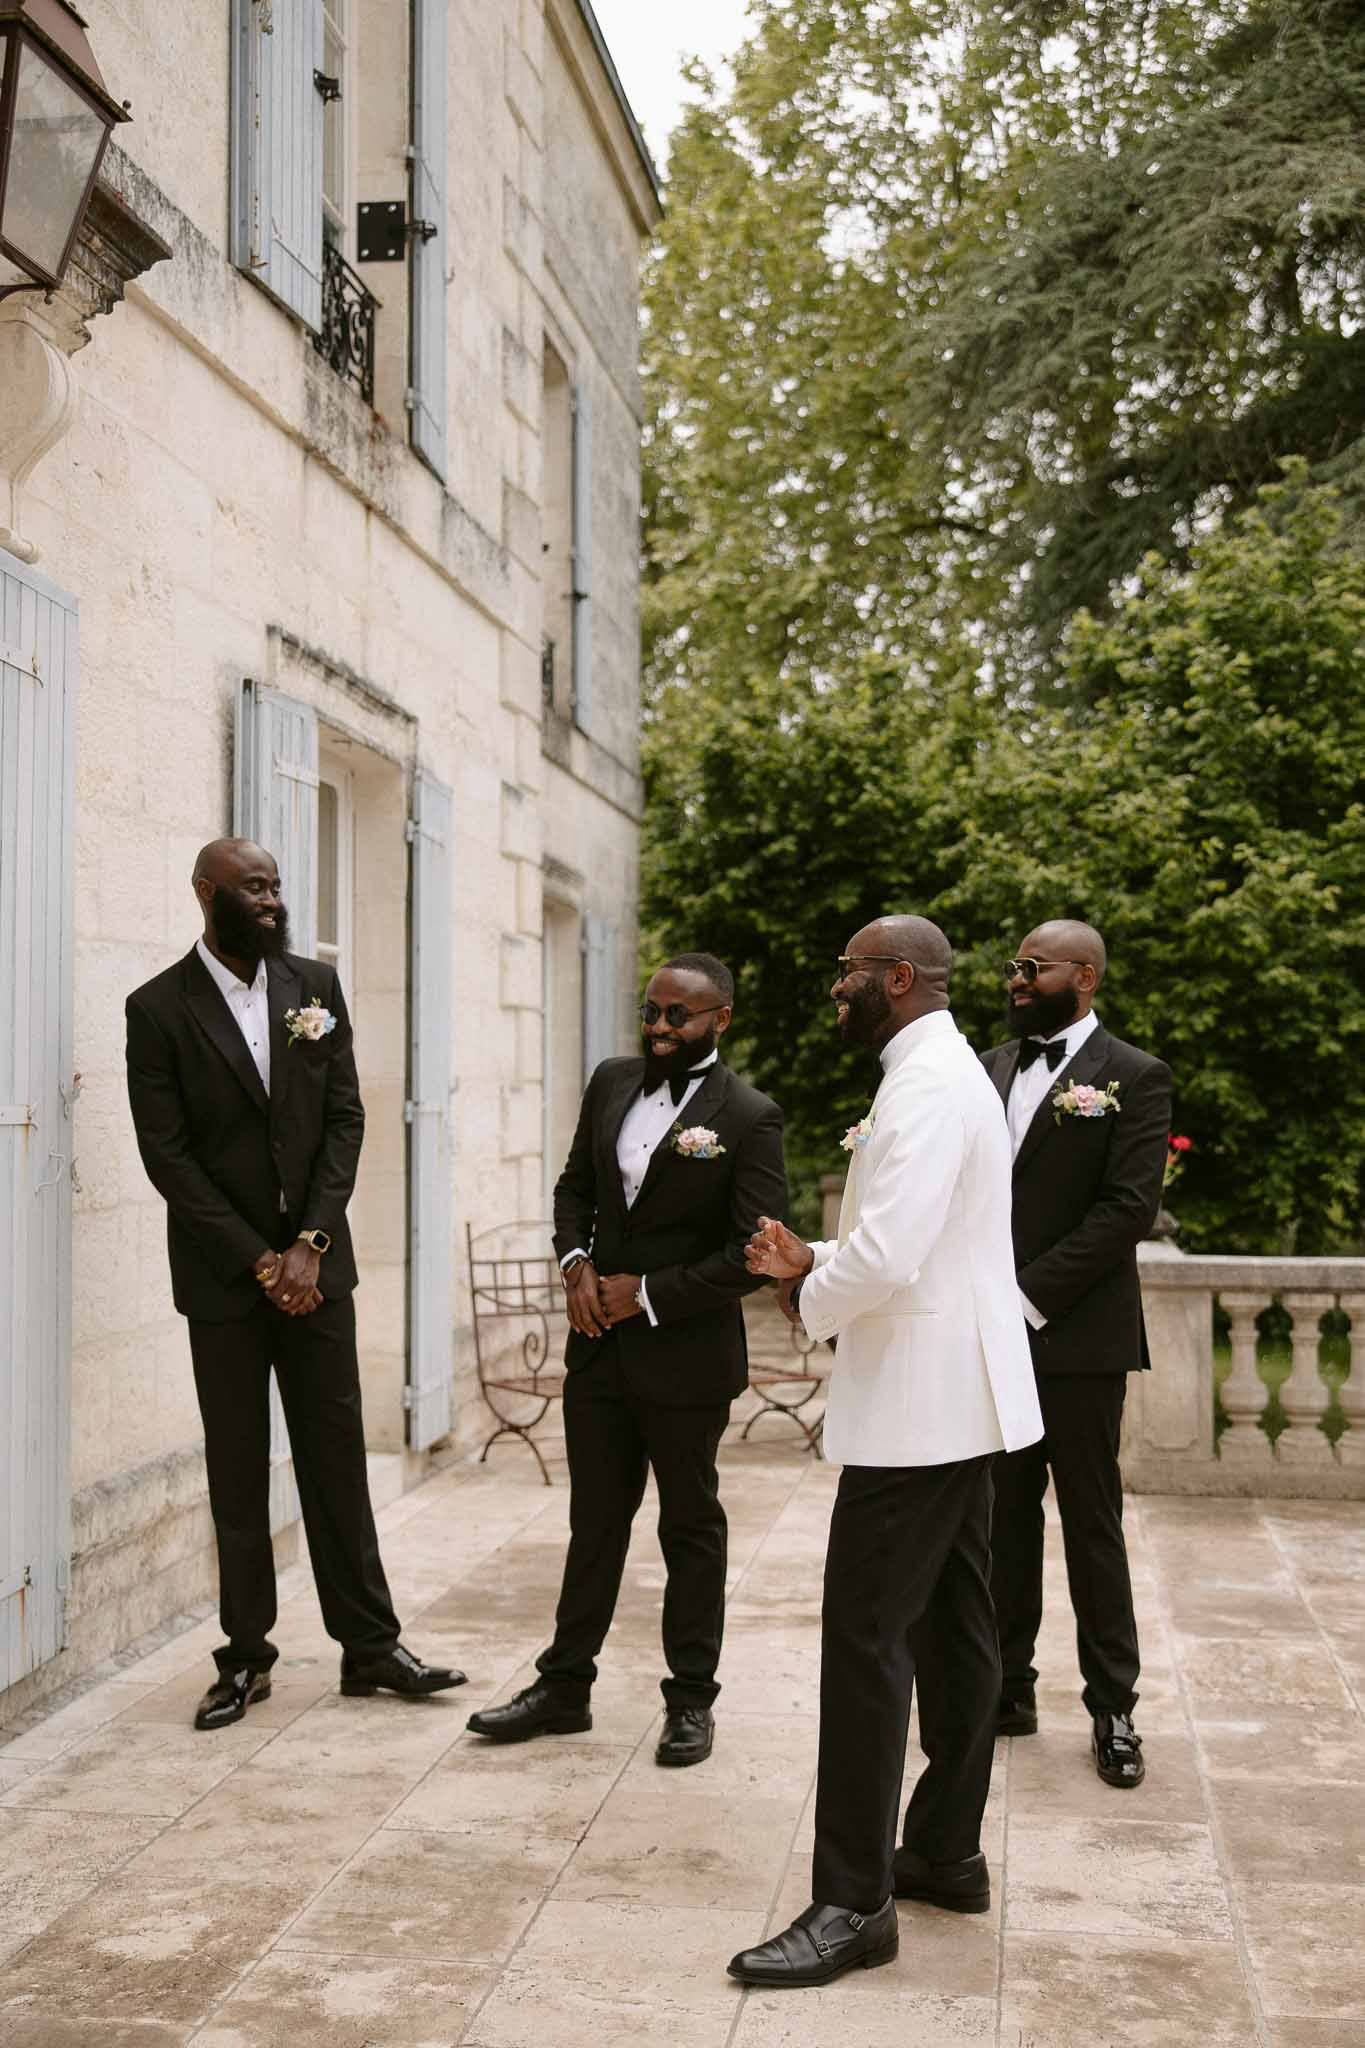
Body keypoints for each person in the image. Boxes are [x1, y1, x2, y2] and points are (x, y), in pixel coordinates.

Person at [726, 917, 1043, 1990]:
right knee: (957, 1627)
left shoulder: (925, 1084)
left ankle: (854, 1900)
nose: (835, 992)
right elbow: (918, 1237)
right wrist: (824, 1258)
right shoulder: (943, 1070)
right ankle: (946, 1849)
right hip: (959, 1399)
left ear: (898, 979)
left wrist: (801, 1288)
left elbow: (894, 1253)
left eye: (848, 975)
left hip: (920, 1409)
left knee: (866, 1640)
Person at [125, 839, 463, 1730]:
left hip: (319, 1274)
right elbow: (169, 1157)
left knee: (336, 1461)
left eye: (276, 885)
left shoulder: (313, 988)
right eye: (254, 887)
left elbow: (345, 1117)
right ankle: (244, 1658)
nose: (273, 900)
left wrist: (309, 1243)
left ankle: (370, 1648)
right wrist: (259, 1259)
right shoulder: (157, 1009)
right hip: (224, 1283)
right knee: (237, 1471)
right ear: (207, 893)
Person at [466, 953, 787, 1767]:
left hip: (686, 1358)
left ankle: (690, 1702)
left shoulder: (749, 1115)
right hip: (598, 1355)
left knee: (689, 1528)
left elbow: (751, 1254)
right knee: (593, 1524)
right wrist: (575, 1266)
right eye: (651, 1011)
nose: (659, 1027)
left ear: (721, 1019)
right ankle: (564, 1688)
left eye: (679, 1015)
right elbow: (573, 1188)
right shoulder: (611, 1080)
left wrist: (643, 1291)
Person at [982, 920, 1171, 1789]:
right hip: (990, 1340)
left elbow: (1126, 1209)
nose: (1015, 978)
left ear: (1083, 976)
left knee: (1090, 1525)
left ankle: (1113, 1708)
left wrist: (1025, 1298)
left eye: (1032, 967)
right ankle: (1004, 1688)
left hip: (1079, 1342)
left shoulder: (1133, 1076)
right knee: (1001, 1520)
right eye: (1013, 966)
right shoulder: (987, 1067)